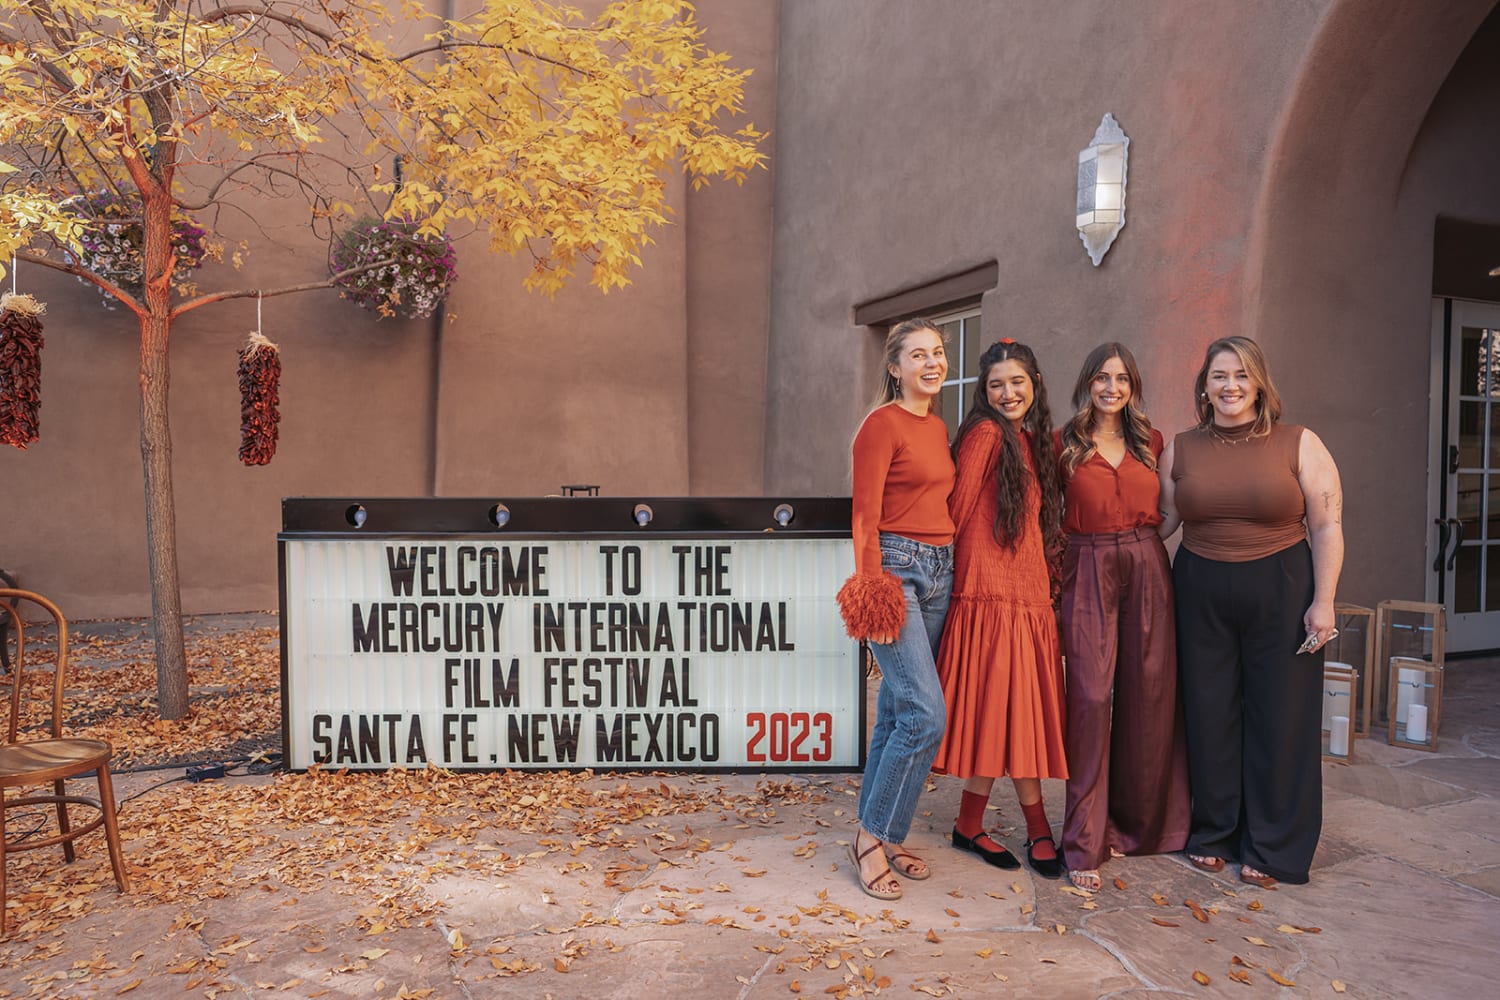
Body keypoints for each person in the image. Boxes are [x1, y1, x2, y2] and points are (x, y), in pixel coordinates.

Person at [1158, 335, 1344, 888]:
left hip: (1283, 586)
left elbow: (1327, 525)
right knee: (1208, 712)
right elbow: (1162, 523)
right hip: (1199, 587)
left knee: (1280, 716)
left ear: (1260, 382)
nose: (1230, 386)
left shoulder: (1300, 443)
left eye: (1240, 375)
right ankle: (1214, 831)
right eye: (1219, 375)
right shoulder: (1181, 447)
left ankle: (1273, 845)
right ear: (1204, 385)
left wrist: (1325, 600)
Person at [932, 339, 1068, 880]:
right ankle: (1036, 829)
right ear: (983, 394)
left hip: (1027, 598)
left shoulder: (1031, 442)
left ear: (1034, 382)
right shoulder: (987, 435)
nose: (1007, 393)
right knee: (1003, 715)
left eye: (1016, 382)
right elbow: (957, 514)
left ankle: (971, 824)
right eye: (995, 385)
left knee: (1016, 718)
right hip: (989, 597)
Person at [1056, 344, 1190, 893]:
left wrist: (1139, 546)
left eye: (1123, 379)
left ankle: (1142, 828)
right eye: (1103, 378)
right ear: (1087, 382)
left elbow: (1174, 506)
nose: (1112, 388)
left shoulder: (1150, 441)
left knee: (1150, 693)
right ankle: (1085, 839)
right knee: (1089, 695)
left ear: (1133, 386)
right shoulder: (1063, 443)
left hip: (1145, 561)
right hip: (1083, 561)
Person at [836, 317, 956, 901]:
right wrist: (870, 585)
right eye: (918, 355)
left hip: (941, 570)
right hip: (896, 570)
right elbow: (864, 515)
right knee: (925, 714)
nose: (932, 363)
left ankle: (888, 832)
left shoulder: (937, 426)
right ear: (895, 366)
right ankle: (870, 836)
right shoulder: (880, 426)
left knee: (895, 712)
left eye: (938, 353)